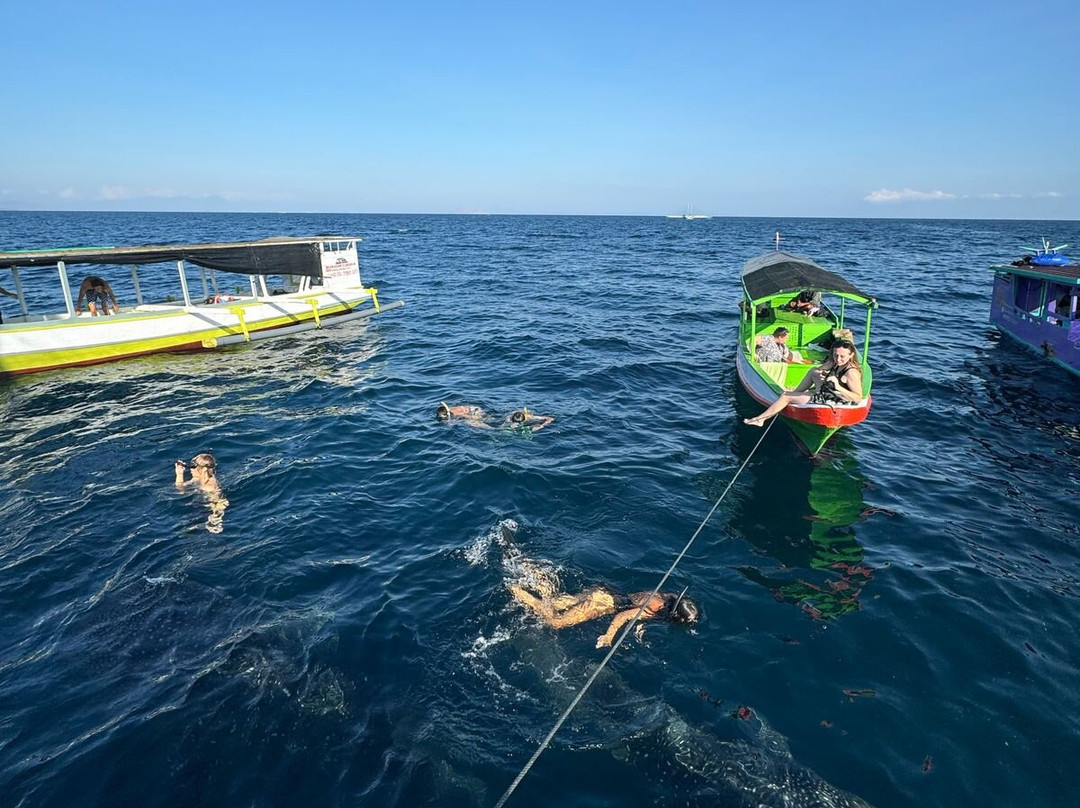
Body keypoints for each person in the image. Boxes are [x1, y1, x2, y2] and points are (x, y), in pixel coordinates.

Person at [500, 524, 699, 648]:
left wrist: (639, 627)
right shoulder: (656, 607)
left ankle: (523, 563)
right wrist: (608, 636)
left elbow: (638, 613)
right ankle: (515, 590)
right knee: (555, 622)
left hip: (604, 592)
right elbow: (623, 615)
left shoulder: (668, 597)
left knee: (553, 601)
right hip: (602, 603)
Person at [743, 339, 864, 427]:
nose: (838, 359)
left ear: (851, 355)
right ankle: (797, 392)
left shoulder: (851, 372)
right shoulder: (836, 363)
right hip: (828, 392)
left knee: (785, 397)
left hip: (834, 400)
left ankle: (761, 419)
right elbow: (818, 370)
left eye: (842, 357)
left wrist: (838, 386)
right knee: (813, 372)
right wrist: (823, 371)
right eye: (835, 355)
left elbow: (858, 398)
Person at [174, 452, 229, 533]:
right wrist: (179, 474)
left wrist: (215, 521)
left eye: (194, 466)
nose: (191, 469)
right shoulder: (197, 478)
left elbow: (220, 503)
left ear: (203, 469)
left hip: (205, 511)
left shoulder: (209, 487)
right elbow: (180, 489)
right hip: (199, 503)